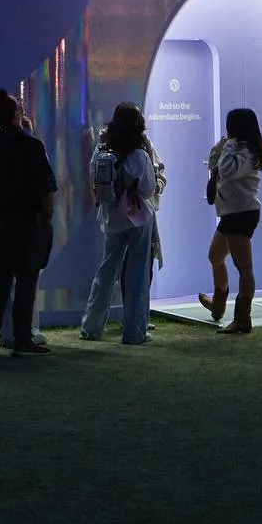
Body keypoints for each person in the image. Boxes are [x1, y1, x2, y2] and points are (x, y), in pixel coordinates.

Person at [0, 89, 58, 358]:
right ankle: (23, 339)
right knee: (26, 281)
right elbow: (46, 187)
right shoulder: (31, 145)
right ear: (16, 113)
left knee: (0, 278)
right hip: (29, 223)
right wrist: (47, 215)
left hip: (1, 224)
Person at [79, 103, 159, 345]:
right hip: (139, 218)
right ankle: (135, 332)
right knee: (137, 273)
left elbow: (94, 179)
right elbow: (148, 189)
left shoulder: (102, 150)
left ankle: (91, 327)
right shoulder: (140, 155)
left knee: (106, 271)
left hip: (111, 216)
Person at [200, 106, 262, 336]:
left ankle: (242, 318)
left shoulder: (247, 152)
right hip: (231, 213)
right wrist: (223, 146)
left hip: (241, 213)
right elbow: (213, 164)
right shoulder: (234, 147)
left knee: (244, 269)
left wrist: (227, 146)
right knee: (215, 256)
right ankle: (219, 304)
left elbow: (227, 171)